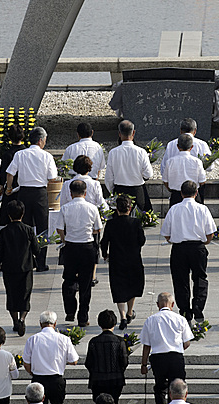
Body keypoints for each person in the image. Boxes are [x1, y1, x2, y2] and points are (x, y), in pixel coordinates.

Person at [161, 180, 215, 323]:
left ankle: (184, 310)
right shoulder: (202, 209)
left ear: (181, 193)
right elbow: (210, 233)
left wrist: (175, 239)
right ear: (196, 193)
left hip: (179, 248)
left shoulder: (174, 209)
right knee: (200, 278)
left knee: (180, 281)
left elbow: (166, 233)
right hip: (198, 247)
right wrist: (205, 242)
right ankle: (198, 307)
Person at [5, 126, 58, 272]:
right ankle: (41, 262)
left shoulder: (21, 154)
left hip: (24, 193)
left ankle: (26, 260)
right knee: (42, 229)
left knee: (24, 227)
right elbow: (52, 178)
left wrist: (9, 188)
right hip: (40, 194)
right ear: (41, 140)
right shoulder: (47, 156)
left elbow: (10, 173)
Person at [55, 178, 103, 327]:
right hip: (87, 247)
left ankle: (70, 310)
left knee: (68, 280)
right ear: (85, 192)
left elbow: (59, 228)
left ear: (70, 193)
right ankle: (83, 317)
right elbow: (98, 228)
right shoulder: (92, 208)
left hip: (70, 247)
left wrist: (64, 239)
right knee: (86, 284)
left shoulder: (65, 208)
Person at [139, 292, 193, 404]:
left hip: (158, 358)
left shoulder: (150, 320)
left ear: (157, 304)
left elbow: (146, 345)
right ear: (172, 304)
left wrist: (144, 364)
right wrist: (178, 348)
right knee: (177, 387)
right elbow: (187, 342)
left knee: (160, 387)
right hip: (175, 357)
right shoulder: (180, 319)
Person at [100, 193, 146, 330]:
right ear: (130, 208)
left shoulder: (111, 224)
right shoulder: (136, 223)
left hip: (116, 260)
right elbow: (142, 240)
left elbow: (104, 242)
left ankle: (123, 316)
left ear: (117, 209)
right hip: (133, 259)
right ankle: (130, 311)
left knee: (119, 287)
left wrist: (105, 254)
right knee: (132, 286)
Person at [0, 199, 39, 336]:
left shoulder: (4, 232)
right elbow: (36, 249)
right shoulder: (28, 230)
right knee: (25, 294)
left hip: (9, 268)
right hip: (26, 268)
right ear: (23, 213)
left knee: (12, 295)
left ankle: (15, 321)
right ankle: (22, 318)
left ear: (8, 215)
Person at [22, 310, 78, 404]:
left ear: (40, 323)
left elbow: (26, 362)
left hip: (38, 379)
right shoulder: (64, 339)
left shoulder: (32, 339)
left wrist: (31, 372)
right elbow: (74, 361)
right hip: (56, 380)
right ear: (55, 323)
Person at [85, 310, 129, 404]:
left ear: (99, 324)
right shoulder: (120, 341)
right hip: (115, 380)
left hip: (98, 380)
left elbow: (88, 363)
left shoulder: (93, 341)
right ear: (114, 323)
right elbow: (124, 361)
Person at [160, 117, 212, 203]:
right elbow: (210, 168)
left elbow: (163, 170)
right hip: (194, 190)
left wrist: (170, 187)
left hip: (176, 191)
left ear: (180, 130)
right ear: (195, 131)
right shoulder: (202, 145)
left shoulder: (171, 144)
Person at [104, 120, 153, 211]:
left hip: (120, 190)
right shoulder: (141, 152)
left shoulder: (113, 152)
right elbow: (148, 174)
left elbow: (109, 177)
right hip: (137, 191)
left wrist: (112, 191)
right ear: (133, 132)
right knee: (138, 220)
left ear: (119, 133)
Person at [162, 133, 206, 209]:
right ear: (192, 147)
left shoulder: (170, 162)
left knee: (175, 219)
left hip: (176, 195)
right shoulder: (197, 161)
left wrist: (170, 189)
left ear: (178, 147)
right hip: (193, 195)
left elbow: (165, 180)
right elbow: (202, 181)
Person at [0, 122, 25, 227]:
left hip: (11, 188)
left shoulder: (7, 154)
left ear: (9, 138)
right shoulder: (26, 152)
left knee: (10, 216)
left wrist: (1, 187)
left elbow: (4, 172)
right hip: (24, 187)